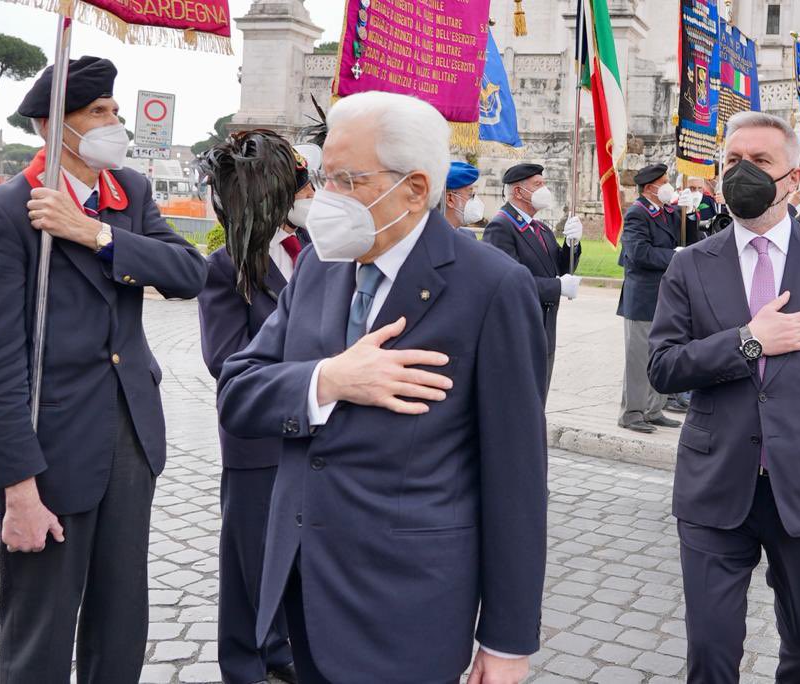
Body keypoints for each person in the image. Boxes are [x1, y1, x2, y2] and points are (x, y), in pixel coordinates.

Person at [217, 91, 548, 684]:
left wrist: (507, 641)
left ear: (415, 189)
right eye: (324, 177)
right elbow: (238, 390)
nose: (325, 199)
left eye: (347, 179)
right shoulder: (321, 264)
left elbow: (517, 478)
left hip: (407, 608)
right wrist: (328, 379)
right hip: (303, 589)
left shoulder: (492, 287)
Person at [0, 56, 207, 683]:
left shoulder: (129, 195)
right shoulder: (8, 213)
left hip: (129, 438)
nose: (114, 123)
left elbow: (189, 274)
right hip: (49, 450)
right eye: (98, 113)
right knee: (39, 639)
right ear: (52, 126)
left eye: (116, 113)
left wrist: (97, 235)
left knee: (121, 626)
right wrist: (18, 487)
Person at [648, 111, 800, 683]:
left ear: (793, 177)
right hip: (714, 489)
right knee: (710, 652)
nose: (743, 173)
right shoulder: (689, 265)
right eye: (733, 161)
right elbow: (663, 366)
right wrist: (749, 341)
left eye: (760, 162)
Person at [198, 131, 315, 684]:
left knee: (299, 561)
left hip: (314, 437)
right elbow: (225, 359)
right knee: (250, 565)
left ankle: (281, 650)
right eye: (300, 185)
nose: (310, 194)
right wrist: (309, 369)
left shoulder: (317, 254)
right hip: (257, 443)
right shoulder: (229, 266)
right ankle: (244, 663)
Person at [483, 163, 582, 398]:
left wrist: (572, 245)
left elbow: (560, 266)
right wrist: (557, 287)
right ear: (518, 192)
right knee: (519, 400)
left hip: (544, 328)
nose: (544, 189)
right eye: (538, 185)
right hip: (519, 329)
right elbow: (506, 283)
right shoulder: (501, 227)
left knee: (538, 399)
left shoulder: (540, 228)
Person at [617, 163, 684, 433]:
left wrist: (688, 215)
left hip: (664, 295)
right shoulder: (637, 213)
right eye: (665, 181)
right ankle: (632, 412)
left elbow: (685, 239)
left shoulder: (665, 212)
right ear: (650, 188)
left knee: (659, 353)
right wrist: (674, 256)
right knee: (639, 358)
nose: (669, 185)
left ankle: (654, 409)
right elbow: (638, 253)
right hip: (643, 295)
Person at [444, 160, 485, 238]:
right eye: (471, 195)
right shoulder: (429, 238)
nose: (476, 201)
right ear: (450, 199)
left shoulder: (470, 236)